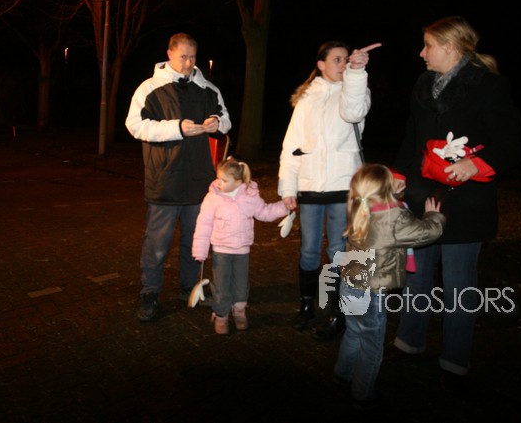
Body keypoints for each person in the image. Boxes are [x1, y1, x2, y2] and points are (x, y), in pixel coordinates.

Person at [389, 16, 521, 391]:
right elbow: (412, 136)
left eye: (428, 45)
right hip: (423, 197)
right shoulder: (422, 85)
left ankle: (454, 361)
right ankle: (409, 341)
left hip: (466, 203)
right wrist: (399, 175)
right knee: (417, 276)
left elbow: (513, 141)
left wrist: (476, 164)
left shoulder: (488, 85)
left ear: (449, 47)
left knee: (458, 285)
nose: (421, 53)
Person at [277, 40, 380, 340]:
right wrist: (288, 186)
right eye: (337, 59)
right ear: (321, 64)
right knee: (308, 250)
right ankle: (307, 305)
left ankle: (339, 312)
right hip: (310, 186)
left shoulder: (355, 90)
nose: (343, 64)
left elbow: (353, 113)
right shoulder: (306, 97)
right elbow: (291, 144)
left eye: (346, 59)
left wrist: (357, 74)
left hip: (343, 185)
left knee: (338, 251)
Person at [126, 33, 232, 322]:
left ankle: (190, 288)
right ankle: (150, 294)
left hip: (199, 180)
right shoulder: (150, 88)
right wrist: (176, 128)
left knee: (195, 241)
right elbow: (135, 126)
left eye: (192, 57)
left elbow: (226, 119)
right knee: (157, 244)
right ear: (169, 54)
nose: (188, 63)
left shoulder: (208, 89)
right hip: (164, 180)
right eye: (183, 56)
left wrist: (216, 123)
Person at [331, 164, 445, 409]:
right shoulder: (394, 216)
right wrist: (433, 216)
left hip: (350, 283)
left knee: (353, 332)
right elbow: (426, 232)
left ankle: (343, 373)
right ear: (385, 189)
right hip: (372, 292)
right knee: (372, 344)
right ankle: (363, 393)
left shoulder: (356, 204)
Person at [192, 157, 289, 334]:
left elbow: (264, 212)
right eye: (218, 178)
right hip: (221, 251)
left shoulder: (249, 197)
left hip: (242, 251)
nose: (218, 183)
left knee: (241, 284)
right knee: (221, 285)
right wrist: (200, 249)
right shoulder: (212, 198)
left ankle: (239, 311)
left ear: (238, 182)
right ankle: (221, 315)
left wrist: (284, 207)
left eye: (224, 180)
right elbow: (203, 225)